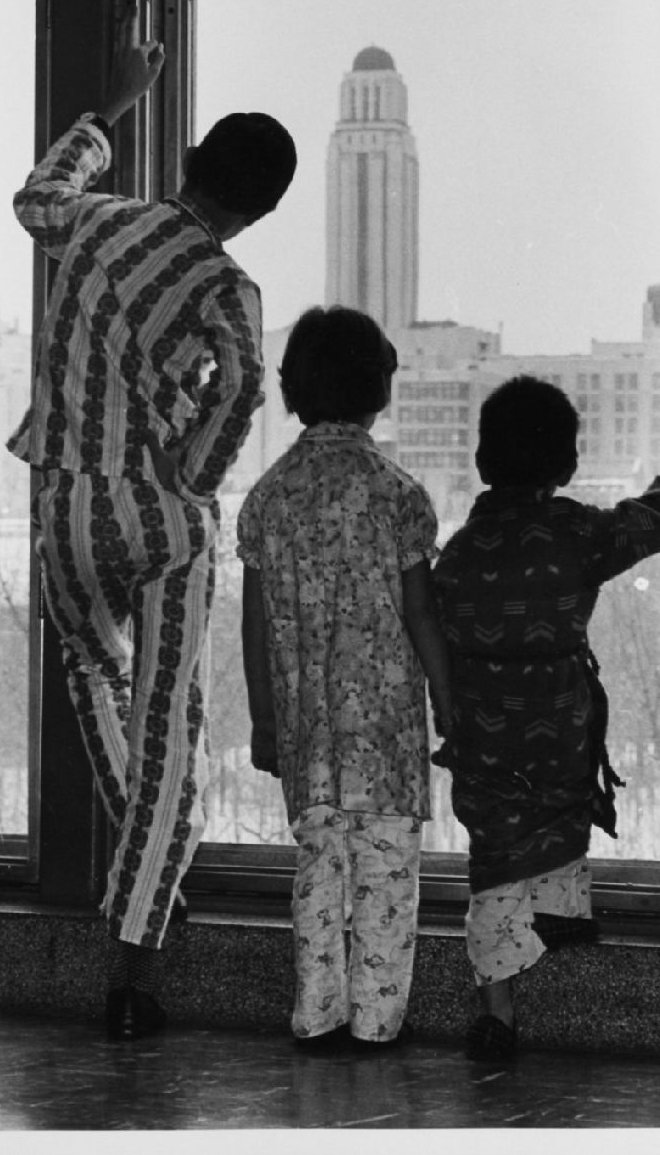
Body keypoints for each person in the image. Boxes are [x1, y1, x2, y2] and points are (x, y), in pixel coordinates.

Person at [6, 8, 297, 1040]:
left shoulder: (95, 223)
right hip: (160, 517)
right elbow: (247, 380)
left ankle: (148, 894)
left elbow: (35, 197)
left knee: (97, 679)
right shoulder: (226, 279)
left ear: (187, 162)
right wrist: (195, 471)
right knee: (170, 726)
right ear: (258, 213)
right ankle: (134, 958)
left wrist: (113, 107)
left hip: (62, 503)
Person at [431, 375, 660, 1061]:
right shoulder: (575, 534)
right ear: (567, 466)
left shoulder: (460, 552)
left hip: (481, 738)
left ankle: (498, 1012)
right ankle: (559, 915)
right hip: (559, 733)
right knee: (562, 818)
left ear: (482, 461)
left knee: (493, 859)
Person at [238, 306, 453, 1051]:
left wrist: (264, 721)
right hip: (386, 735)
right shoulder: (398, 493)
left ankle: (318, 1015)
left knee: (319, 870)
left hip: (309, 730)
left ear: (292, 389)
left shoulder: (268, 498)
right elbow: (422, 614)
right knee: (387, 875)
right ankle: (377, 1022)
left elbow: (255, 624)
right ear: (379, 388)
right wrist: (449, 702)